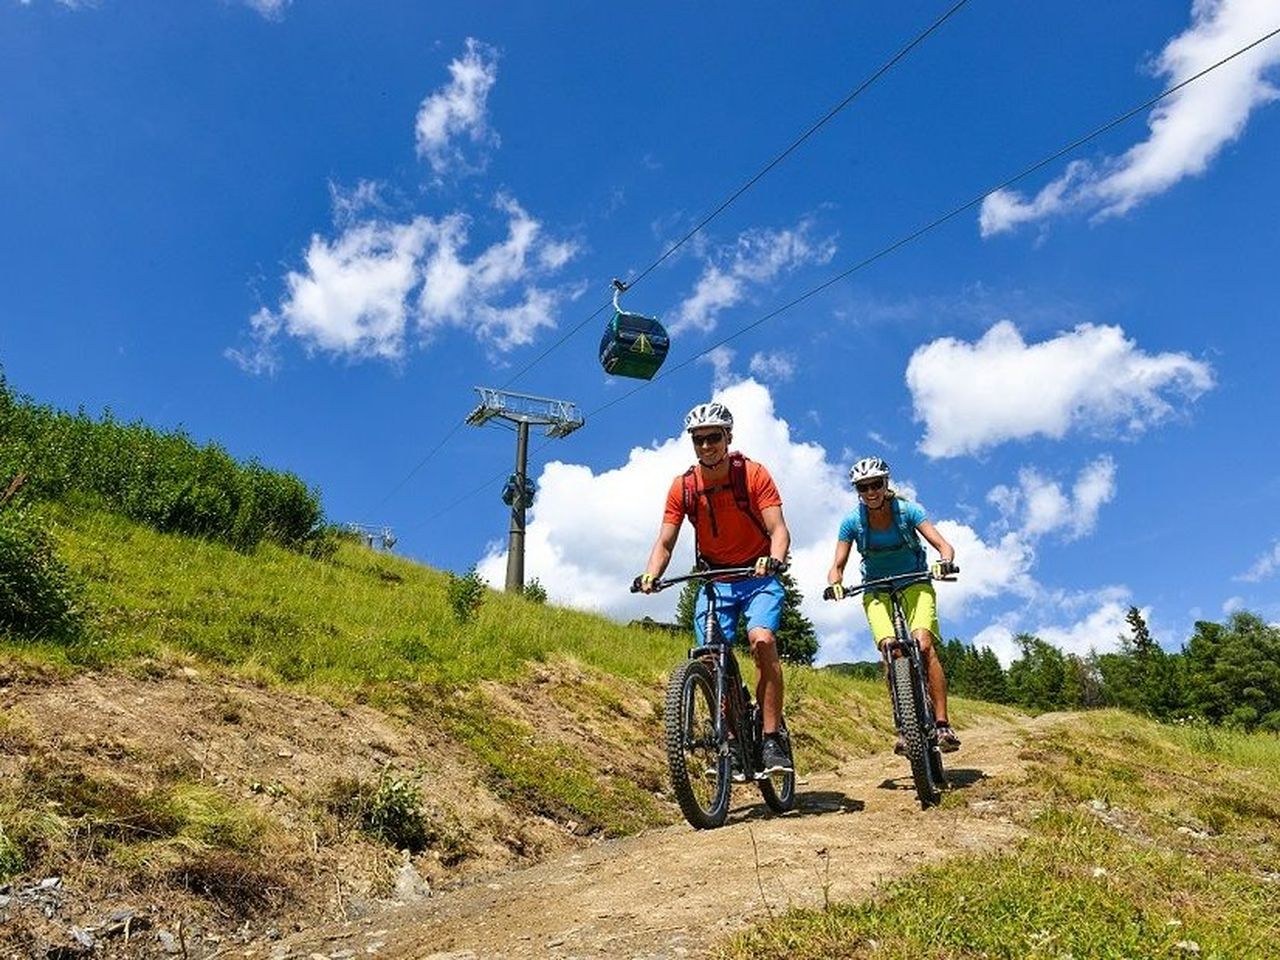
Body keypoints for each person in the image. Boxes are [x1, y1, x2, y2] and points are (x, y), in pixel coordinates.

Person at [635, 401, 794, 774]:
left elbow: (779, 529)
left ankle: (772, 739)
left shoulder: (753, 474)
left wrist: (774, 558)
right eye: (698, 440)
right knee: (710, 659)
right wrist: (650, 574)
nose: (706, 446)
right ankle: (733, 743)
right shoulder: (684, 487)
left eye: (713, 438)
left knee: (762, 642)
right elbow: (666, 541)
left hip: (757, 576)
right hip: (714, 582)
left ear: (728, 438)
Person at [825, 456, 961, 752]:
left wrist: (945, 562)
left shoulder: (908, 511)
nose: (871, 491)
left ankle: (942, 724)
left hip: (915, 580)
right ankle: (904, 724)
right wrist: (835, 583)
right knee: (890, 648)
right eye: (863, 487)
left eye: (876, 484)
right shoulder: (852, 522)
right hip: (875, 587)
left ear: (886, 483)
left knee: (923, 646)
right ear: (857, 491)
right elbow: (837, 564)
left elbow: (943, 545)